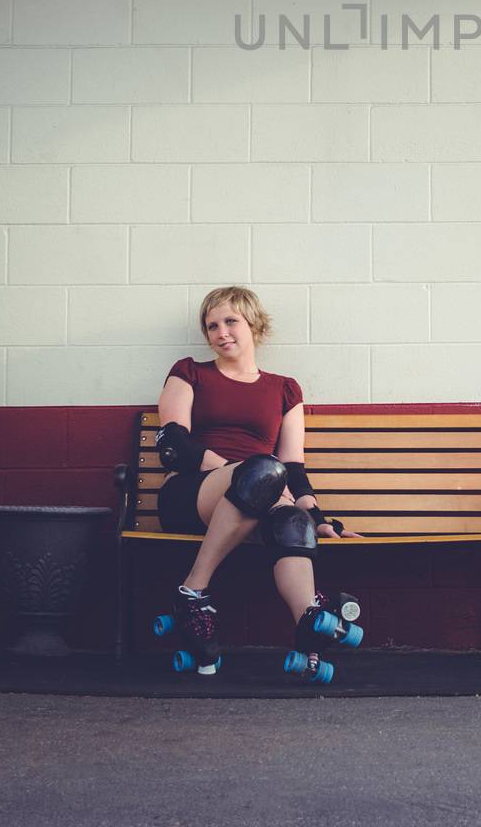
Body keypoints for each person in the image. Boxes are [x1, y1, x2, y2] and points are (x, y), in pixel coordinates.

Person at [155, 283, 361, 677]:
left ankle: (309, 627)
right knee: (262, 471)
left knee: (292, 520)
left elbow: (293, 466)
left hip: (259, 493)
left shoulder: (284, 389)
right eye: (212, 325)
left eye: (231, 321)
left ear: (254, 325)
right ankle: (192, 591)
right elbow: (173, 443)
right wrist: (239, 472)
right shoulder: (189, 373)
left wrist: (319, 518)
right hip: (190, 494)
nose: (221, 332)